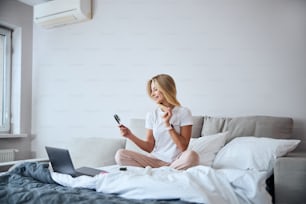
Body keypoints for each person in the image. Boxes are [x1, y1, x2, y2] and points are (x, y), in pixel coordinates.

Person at [115, 74, 199, 170]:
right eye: (151, 91)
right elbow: (149, 147)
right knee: (120, 155)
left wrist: (168, 125)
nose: (152, 94)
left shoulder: (183, 112)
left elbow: (183, 147)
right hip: (154, 161)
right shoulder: (152, 115)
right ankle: (166, 171)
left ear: (165, 88)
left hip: (176, 161)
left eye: (155, 89)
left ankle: (165, 171)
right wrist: (130, 135)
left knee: (192, 156)